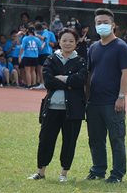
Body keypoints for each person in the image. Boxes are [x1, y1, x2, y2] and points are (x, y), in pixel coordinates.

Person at [27, 28, 87, 182]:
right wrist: (69, 82)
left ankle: (63, 174)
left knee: (69, 141)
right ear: (59, 41)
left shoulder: (80, 61)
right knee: (46, 139)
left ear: (76, 44)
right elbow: (48, 81)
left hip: (72, 110)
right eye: (64, 40)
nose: (67, 43)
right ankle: (41, 172)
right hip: (52, 107)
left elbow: (81, 80)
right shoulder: (51, 59)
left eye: (71, 41)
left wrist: (62, 79)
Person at [85, 8, 127, 183]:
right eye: (98, 23)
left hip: (112, 102)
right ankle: (98, 169)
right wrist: (87, 98)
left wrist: (121, 97)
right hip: (94, 102)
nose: (102, 26)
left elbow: (126, 74)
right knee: (95, 139)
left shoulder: (121, 47)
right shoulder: (93, 48)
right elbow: (89, 75)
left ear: (113, 25)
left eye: (105, 23)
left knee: (116, 139)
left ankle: (117, 174)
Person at [35, 22, 56, 88]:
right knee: (38, 68)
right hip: (38, 52)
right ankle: (42, 82)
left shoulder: (45, 31)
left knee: (45, 68)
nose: (39, 31)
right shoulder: (35, 32)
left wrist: (36, 35)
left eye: (40, 30)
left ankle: (48, 82)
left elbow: (43, 37)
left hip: (45, 52)